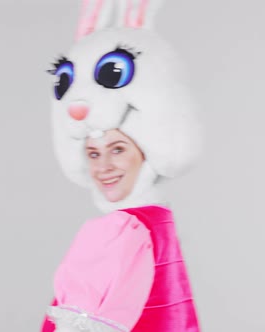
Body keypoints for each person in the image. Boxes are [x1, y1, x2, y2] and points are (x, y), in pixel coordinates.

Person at [41, 0, 202, 331]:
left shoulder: (117, 232)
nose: (104, 167)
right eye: (94, 153)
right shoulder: (159, 222)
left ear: (145, 150)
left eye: (117, 149)